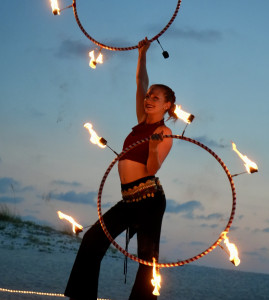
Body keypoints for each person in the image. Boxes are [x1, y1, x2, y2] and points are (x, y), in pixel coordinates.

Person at [64, 37, 177, 300]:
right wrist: (142, 54)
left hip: (149, 199)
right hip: (128, 199)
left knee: (147, 260)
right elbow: (140, 82)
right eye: (149, 96)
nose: (149, 99)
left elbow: (152, 168)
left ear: (166, 105)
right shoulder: (140, 122)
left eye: (155, 98)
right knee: (92, 239)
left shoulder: (164, 131)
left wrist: (152, 147)